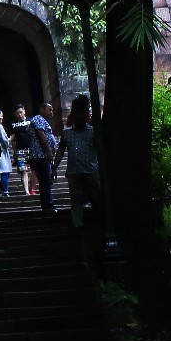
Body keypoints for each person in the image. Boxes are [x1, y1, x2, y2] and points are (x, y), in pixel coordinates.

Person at [54, 95, 103, 247]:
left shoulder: (93, 132)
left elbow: (100, 150)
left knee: (96, 197)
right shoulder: (67, 133)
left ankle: (100, 224)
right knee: (76, 200)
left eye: (84, 113)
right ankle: (77, 229)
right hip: (74, 171)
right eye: (78, 114)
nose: (81, 117)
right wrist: (54, 167)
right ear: (74, 116)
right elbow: (61, 150)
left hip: (91, 170)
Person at [29, 102, 60, 213]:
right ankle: (48, 205)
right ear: (42, 109)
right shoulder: (38, 119)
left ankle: (47, 204)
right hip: (40, 155)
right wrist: (48, 151)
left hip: (43, 156)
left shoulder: (43, 121)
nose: (51, 112)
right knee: (45, 180)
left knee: (46, 180)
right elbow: (40, 134)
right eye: (49, 109)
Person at [9, 105, 38, 198]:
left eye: (21, 112)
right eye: (17, 113)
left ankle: (31, 188)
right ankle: (26, 191)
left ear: (24, 111)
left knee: (36, 170)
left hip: (33, 148)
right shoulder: (13, 124)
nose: (19, 115)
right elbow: (13, 139)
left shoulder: (31, 121)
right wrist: (14, 152)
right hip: (20, 149)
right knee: (23, 171)